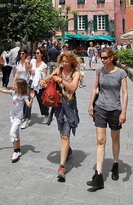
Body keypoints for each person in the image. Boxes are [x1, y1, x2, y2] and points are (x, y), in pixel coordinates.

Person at [87, 48, 128, 191]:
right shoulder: (100, 71)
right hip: (100, 108)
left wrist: (123, 112)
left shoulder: (121, 73)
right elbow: (94, 89)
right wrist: (91, 104)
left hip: (115, 110)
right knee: (100, 141)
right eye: (101, 57)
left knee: (115, 139)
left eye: (105, 57)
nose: (102, 60)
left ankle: (115, 164)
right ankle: (99, 175)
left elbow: (125, 93)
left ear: (111, 58)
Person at [40, 51, 81, 183]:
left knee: (65, 136)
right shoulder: (59, 69)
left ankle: (61, 167)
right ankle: (67, 150)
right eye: (62, 61)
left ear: (72, 61)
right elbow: (49, 78)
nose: (63, 63)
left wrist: (61, 80)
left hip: (69, 106)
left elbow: (73, 88)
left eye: (66, 61)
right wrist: (43, 81)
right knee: (61, 132)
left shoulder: (76, 73)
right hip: (58, 106)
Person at [0, 79, 35, 163]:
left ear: (20, 87)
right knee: (16, 134)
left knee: (12, 133)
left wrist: (32, 98)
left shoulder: (24, 96)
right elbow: (3, 91)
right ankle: (18, 150)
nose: (13, 86)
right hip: (12, 116)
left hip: (18, 118)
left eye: (15, 85)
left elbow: (29, 105)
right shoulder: (13, 92)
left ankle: (15, 152)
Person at [29, 48, 50, 124]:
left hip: (39, 85)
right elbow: (29, 70)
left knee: (41, 102)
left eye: (38, 53)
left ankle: (46, 116)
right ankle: (26, 117)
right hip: (31, 83)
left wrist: (37, 72)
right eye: (36, 53)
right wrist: (32, 71)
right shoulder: (32, 61)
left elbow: (44, 77)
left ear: (41, 54)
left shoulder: (44, 65)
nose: (36, 54)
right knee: (28, 99)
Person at [14, 47, 31, 129]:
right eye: (20, 53)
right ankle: (21, 117)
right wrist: (14, 83)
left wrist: (27, 63)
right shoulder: (18, 62)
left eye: (23, 53)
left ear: (26, 54)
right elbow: (16, 74)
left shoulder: (28, 63)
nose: (21, 55)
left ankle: (26, 120)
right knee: (20, 101)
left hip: (26, 84)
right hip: (19, 85)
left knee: (27, 102)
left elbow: (28, 71)